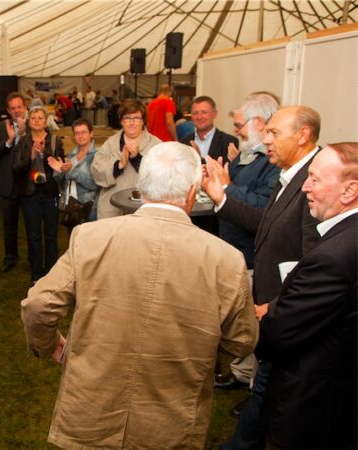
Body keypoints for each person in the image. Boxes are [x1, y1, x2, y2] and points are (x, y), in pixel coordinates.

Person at [21, 142, 258, 450]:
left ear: (141, 188)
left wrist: (50, 343)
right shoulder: (225, 259)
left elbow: (39, 305)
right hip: (170, 422)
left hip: (93, 413)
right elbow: (241, 342)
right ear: (192, 192)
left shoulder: (90, 237)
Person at [203, 106, 322, 450]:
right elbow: (264, 225)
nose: (266, 140)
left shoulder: (312, 183)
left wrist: (278, 304)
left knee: (269, 390)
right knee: (267, 386)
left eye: (274, 133)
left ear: (302, 135)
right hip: (272, 306)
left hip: (284, 311)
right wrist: (221, 199)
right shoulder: (289, 175)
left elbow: (314, 260)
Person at [257, 142, 357, 450]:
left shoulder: (332, 257)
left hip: (313, 406)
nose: (305, 188)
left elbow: (279, 333)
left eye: (315, 179)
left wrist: (266, 316)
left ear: (349, 191)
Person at [204, 95, 280, 395]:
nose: (236, 130)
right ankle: (240, 372)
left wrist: (226, 186)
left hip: (251, 256)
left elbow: (261, 210)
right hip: (234, 250)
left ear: (258, 122)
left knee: (250, 321)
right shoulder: (248, 154)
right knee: (237, 317)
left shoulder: (271, 163)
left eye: (239, 125)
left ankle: (251, 386)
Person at [13, 107, 64, 284]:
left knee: (51, 236)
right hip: (30, 195)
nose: (36, 120)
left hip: (50, 194)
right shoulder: (23, 142)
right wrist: (31, 156)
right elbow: (16, 168)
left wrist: (44, 153)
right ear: (29, 121)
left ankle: (51, 273)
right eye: (33, 117)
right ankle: (36, 275)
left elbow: (60, 166)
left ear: (45, 121)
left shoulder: (55, 141)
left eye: (40, 118)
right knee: (33, 236)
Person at [91, 99, 161, 219]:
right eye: (127, 118)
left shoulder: (156, 145)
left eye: (137, 118)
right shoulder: (110, 144)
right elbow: (96, 171)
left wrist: (137, 159)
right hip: (111, 208)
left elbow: (163, 177)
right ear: (121, 121)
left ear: (143, 121)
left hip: (143, 209)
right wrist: (118, 166)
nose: (132, 123)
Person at [0, 92, 25, 273]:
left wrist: (25, 133)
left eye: (19, 107)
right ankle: (11, 258)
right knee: (9, 226)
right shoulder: (2, 127)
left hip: (28, 185)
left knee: (33, 226)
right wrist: (9, 141)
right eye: (13, 108)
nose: (16, 111)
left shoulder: (34, 124)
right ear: (8, 111)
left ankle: (35, 259)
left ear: (24, 107)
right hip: (7, 184)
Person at [49, 118, 99, 225]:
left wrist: (71, 170)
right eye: (77, 133)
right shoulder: (71, 155)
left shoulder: (98, 155)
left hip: (89, 209)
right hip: (71, 208)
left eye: (83, 132)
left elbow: (94, 184)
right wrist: (60, 172)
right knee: (73, 236)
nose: (80, 136)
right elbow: (63, 184)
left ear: (91, 134)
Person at [181, 96, 238, 162]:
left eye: (204, 112)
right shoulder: (183, 143)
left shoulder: (228, 142)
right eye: (195, 113)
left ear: (215, 114)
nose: (199, 117)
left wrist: (199, 158)